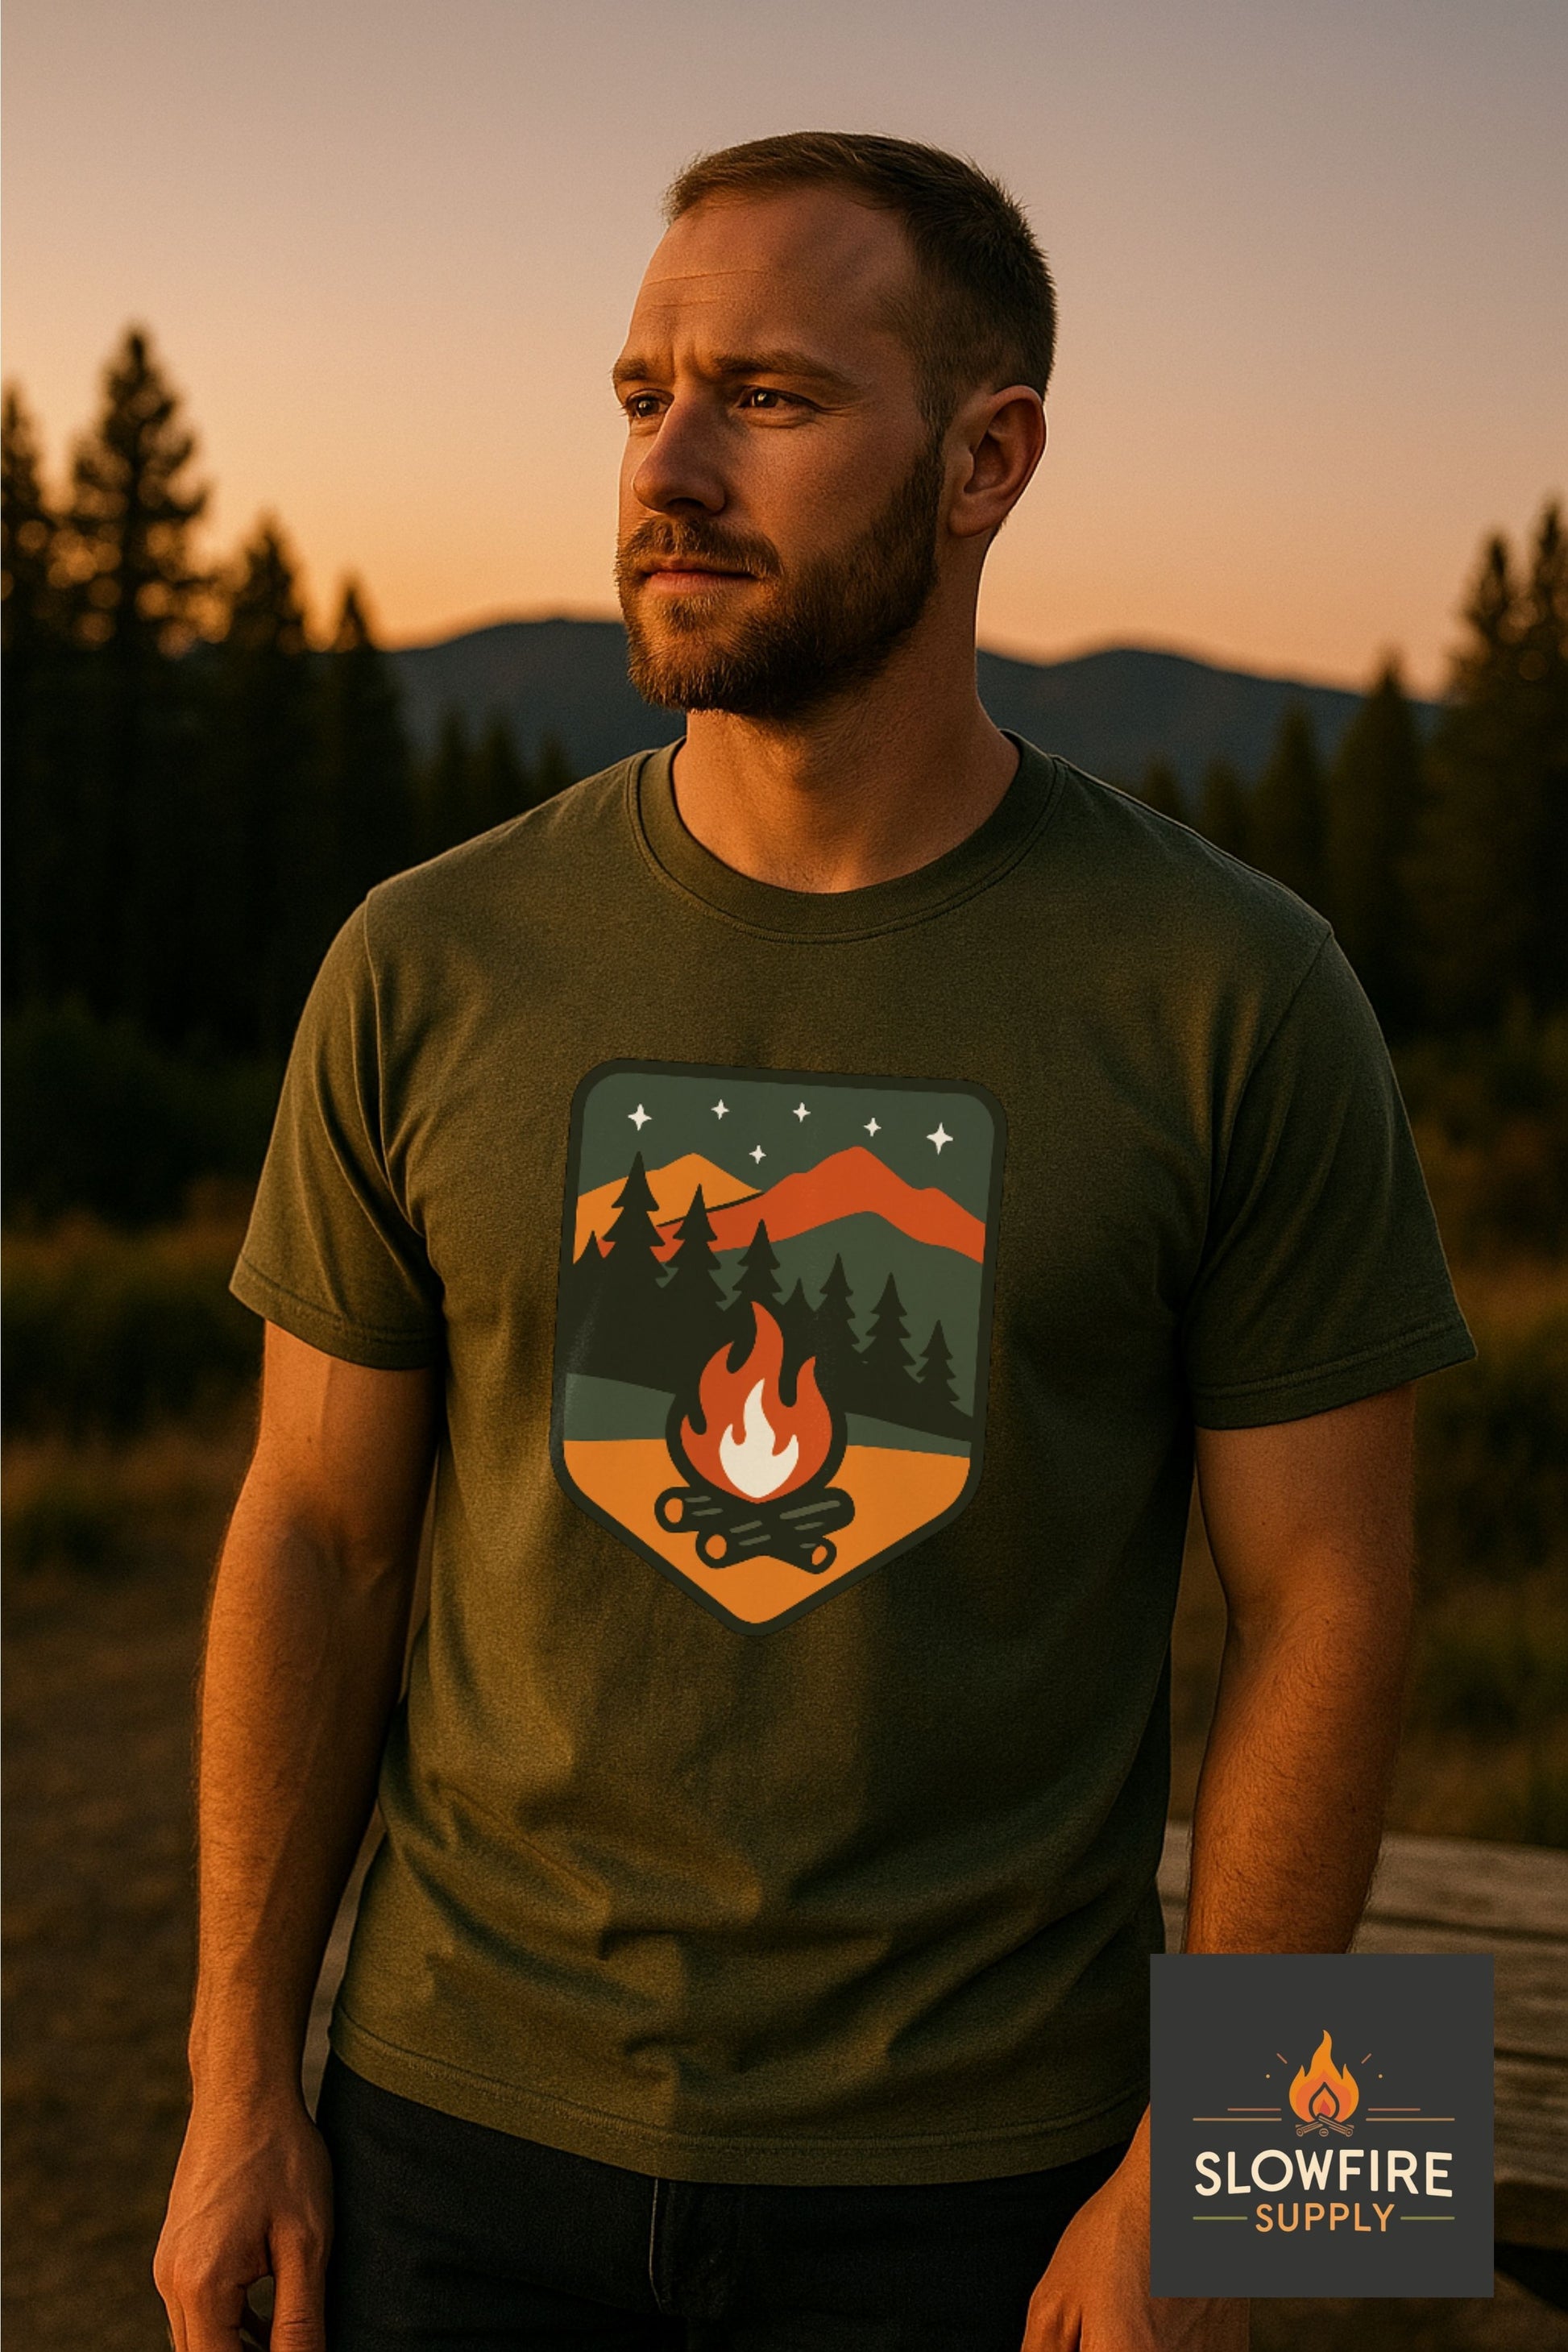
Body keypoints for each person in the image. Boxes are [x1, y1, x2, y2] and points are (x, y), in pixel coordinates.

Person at [155, 133, 1472, 2352]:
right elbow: (312, 1533)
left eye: (764, 396)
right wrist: (226, 2084)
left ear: (987, 459)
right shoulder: (427, 959)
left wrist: (1222, 2196)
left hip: (1001, 2181)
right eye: (640, 389)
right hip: (450, 2143)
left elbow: (1333, 1598)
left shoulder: (1232, 989)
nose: (665, 461)